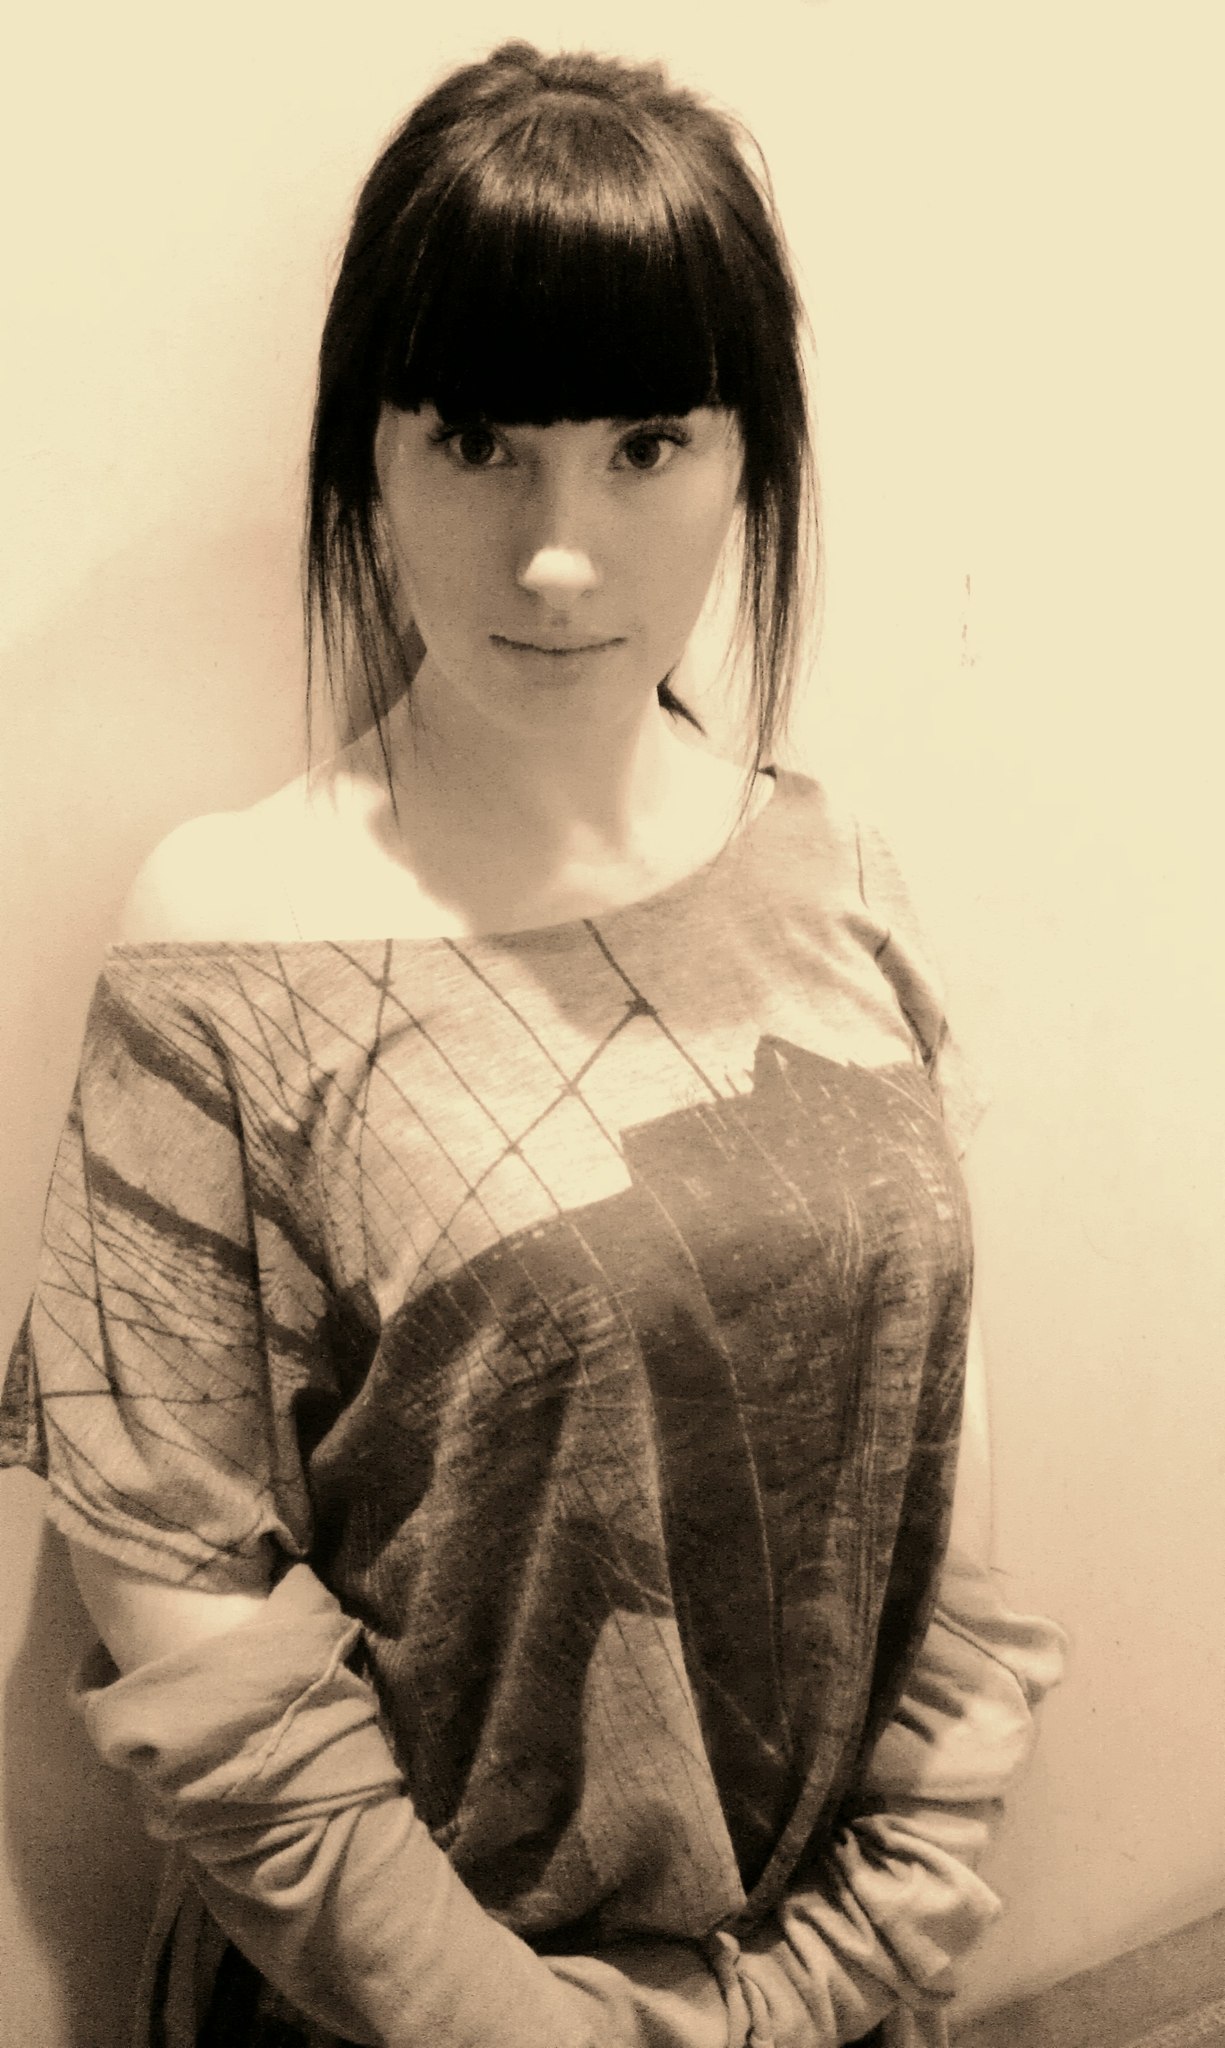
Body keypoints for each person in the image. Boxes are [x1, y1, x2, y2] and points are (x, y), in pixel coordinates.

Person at [0, 40, 1065, 2048]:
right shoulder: (225, 940)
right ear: (367, 455)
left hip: (842, 1987)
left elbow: (938, 1421)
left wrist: (881, 1912)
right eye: (477, 442)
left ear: (746, 459)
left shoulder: (835, 868)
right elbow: (181, 1597)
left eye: (646, 443)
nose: (559, 549)